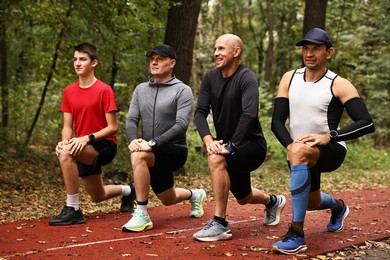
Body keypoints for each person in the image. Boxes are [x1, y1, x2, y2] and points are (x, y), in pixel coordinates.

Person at [271, 27, 375, 254]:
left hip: (331, 149)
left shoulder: (338, 83)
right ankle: (339, 207)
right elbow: (277, 121)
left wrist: (329, 136)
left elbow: (367, 123)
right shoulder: (289, 78)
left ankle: (296, 234)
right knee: (310, 202)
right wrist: (290, 146)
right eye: (306, 49)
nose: (309, 53)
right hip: (298, 151)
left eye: (316, 49)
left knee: (300, 152)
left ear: (329, 53)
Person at [192, 34, 286, 242]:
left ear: (236, 52)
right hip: (226, 144)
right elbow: (199, 113)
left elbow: (249, 113)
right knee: (244, 197)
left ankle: (220, 223)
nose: (216, 53)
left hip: (251, 145)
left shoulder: (246, 77)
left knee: (216, 158)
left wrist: (232, 146)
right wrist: (209, 140)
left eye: (222, 49)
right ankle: (273, 202)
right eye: (215, 49)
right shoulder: (210, 78)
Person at [121, 44, 206, 232]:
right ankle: (195, 195)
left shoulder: (182, 90)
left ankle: (141, 213)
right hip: (150, 150)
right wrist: (133, 140)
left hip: (174, 150)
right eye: (152, 59)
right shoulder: (141, 89)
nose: (154, 62)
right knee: (167, 198)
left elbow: (181, 125)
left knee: (138, 155)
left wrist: (152, 143)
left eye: (159, 59)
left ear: (172, 63)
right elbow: (131, 120)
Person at [49, 43, 136, 226]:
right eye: (75, 59)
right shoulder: (69, 91)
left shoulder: (104, 90)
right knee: (98, 195)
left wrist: (85, 139)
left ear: (94, 63)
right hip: (81, 146)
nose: (77, 63)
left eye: (83, 59)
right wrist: (65, 141)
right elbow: (67, 126)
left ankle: (73, 209)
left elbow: (112, 128)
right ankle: (129, 191)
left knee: (66, 153)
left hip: (103, 145)